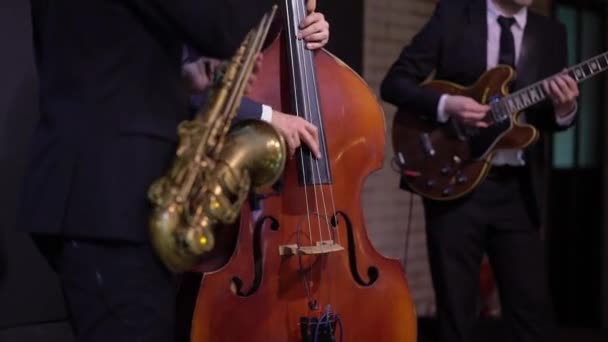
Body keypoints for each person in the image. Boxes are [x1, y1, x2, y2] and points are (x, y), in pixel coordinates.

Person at [18, 1, 326, 341]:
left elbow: (107, 56)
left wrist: (188, 79)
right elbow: (222, 28)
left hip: (104, 196)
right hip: (108, 202)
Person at [381, 0, 579, 341]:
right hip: (455, 181)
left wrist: (565, 108)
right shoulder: (454, 15)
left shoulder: (551, 33)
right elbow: (395, 83)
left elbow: (546, 118)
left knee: (531, 314)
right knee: (456, 314)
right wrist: (447, 105)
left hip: (518, 191)